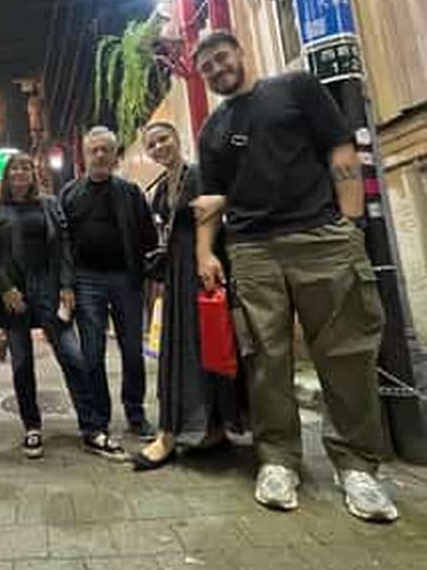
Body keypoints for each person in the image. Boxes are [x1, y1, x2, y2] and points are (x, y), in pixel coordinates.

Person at [193, 30, 397, 522]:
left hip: (320, 236)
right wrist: (205, 252)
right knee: (265, 358)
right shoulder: (213, 129)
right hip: (252, 249)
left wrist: (349, 227)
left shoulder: (296, 88)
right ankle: (278, 459)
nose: (218, 70)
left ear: (241, 52)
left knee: (345, 353)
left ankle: (357, 467)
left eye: (222, 59)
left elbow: (341, 150)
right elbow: (210, 200)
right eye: (208, 68)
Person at [134, 121, 243, 471]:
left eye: (163, 139)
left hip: (201, 266)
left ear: (177, 138)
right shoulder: (163, 185)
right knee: (181, 348)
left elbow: (208, 219)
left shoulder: (198, 174)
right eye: (151, 145)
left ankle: (207, 426)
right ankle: (186, 428)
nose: (159, 148)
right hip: (176, 274)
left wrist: (203, 259)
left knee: (208, 344)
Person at [0, 153, 105, 459]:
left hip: (48, 292)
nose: (20, 173)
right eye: (14, 169)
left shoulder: (49, 205)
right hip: (14, 297)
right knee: (22, 364)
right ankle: (32, 426)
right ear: (6, 176)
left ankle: (90, 427)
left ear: (33, 174)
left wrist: (66, 285)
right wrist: (5, 288)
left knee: (72, 357)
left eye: (26, 168)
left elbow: (63, 246)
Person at [60, 126, 157, 448]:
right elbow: (62, 244)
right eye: (94, 150)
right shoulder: (70, 194)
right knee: (92, 353)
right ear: (85, 155)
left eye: (106, 150)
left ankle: (135, 413)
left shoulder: (130, 193)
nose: (100, 155)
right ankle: (99, 418)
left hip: (126, 280)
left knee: (132, 350)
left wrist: (142, 273)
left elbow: (148, 237)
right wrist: (67, 285)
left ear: (115, 155)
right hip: (87, 282)